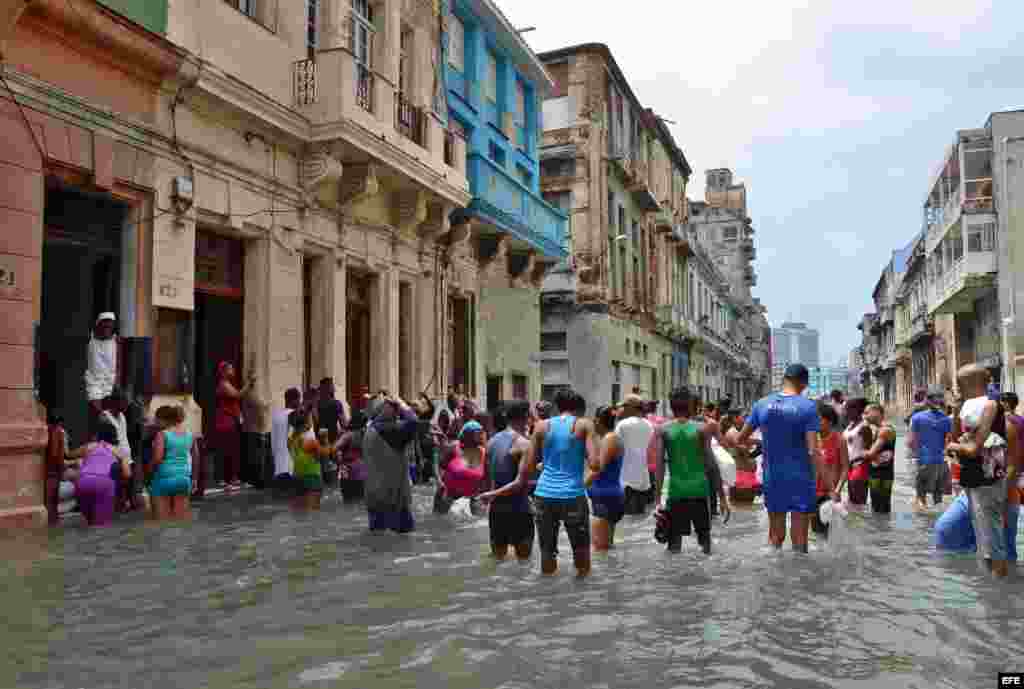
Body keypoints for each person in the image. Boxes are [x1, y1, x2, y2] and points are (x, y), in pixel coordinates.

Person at [735, 364, 820, 552]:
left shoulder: (762, 404)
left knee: (775, 536)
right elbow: (813, 450)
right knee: (799, 539)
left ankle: (773, 568)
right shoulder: (808, 407)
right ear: (804, 383)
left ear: (784, 380)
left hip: (773, 477)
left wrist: (761, 442)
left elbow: (740, 439)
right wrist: (826, 483)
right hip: (800, 478)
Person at [522, 388, 597, 576]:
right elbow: (595, 464)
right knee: (582, 558)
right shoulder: (584, 425)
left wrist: (545, 465)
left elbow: (528, 467)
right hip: (573, 495)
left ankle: (549, 592)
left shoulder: (541, 426)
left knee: (547, 554)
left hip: (544, 495)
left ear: (556, 406)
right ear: (579, 408)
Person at [947, 364, 1010, 577]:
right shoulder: (967, 407)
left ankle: (999, 581)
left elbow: (972, 448)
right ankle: (991, 585)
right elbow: (957, 438)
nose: (957, 389)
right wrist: (956, 411)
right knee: (982, 532)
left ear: (969, 383)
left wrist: (955, 446)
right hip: (973, 477)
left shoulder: (990, 405)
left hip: (988, 478)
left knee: (992, 533)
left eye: (959, 384)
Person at [654, 387, 730, 554]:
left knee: (674, 548)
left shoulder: (663, 430)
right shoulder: (702, 429)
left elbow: (659, 466)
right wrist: (722, 497)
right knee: (705, 545)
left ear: (671, 406)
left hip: (676, 492)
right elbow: (711, 465)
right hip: (699, 491)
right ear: (690, 405)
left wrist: (657, 499)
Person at [478, 401, 535, 560]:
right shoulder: (524, 444)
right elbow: (519, 483)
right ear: (526, 417)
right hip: (519, 511)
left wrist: (490, 495)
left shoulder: (491, 442)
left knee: (497, 561)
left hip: (496, 511)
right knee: (524, 563)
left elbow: (485, 479)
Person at [363, 396, 419, 532]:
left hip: (373, 497)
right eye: (393, 407)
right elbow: (413, 422)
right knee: (403, 539)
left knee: (378, 538)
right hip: (393, 499)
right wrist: (402, 404)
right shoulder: (387, 430)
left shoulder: (371, 429)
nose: (397, 411)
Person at [65, 423, 132, 527]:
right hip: (104, 484)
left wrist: (64, 440)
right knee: (100, 526)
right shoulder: (117, 450)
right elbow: (127, 474)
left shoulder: (88, 446)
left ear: (97, 435)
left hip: (83, 482)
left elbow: (68, 454)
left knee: (90, 522)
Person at [205, 361, 252, 495]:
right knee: (228, 450)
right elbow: (237, 395)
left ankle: (231, 478)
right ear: (224, 372)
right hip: (226, 422)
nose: (233, 371)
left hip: (230, 420)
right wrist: (249, 383)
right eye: (230, 369)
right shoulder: (224, 385)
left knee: (232, 450)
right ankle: (227, 479)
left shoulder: (227, 384)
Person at [585, 405, 625, 551]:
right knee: (606, 549)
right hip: (606, 498)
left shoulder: (610, 438)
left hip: (605, 500)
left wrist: (577, 488)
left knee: (600, 551)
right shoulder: (607, 438)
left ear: (597, 421)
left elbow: (598, 469)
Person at [147, 405, 196, 520]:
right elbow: (196, 458)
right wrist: (194, 479)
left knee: (162, 523)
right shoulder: (190, 435)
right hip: (183, 479)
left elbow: (158, 458)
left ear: (168, 419)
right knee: (180, 522)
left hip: (164, 479)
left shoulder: (162, 434)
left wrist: (149, 470)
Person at [909, 385, 953, 510]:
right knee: (938, 497)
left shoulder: (917, 418)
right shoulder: (946, 419)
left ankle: (923, 516)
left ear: (927, 400)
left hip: (924, 460)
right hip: (940, 461)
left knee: (921, 496)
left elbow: (911, 442)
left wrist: (916, 457)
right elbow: (948, 441)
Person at [811, 402, 848, 536]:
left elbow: (845, 468)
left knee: (827, 532)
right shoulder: (812, 440)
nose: (815, 422)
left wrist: (837, 490)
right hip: (812, 493)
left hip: (830, 493)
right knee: (815, 532)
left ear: (830, 421)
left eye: (819, 419)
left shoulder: (839, 440)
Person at [437, 420, 487, 514]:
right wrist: (439, 481)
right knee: (439, 517)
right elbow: (440, 465)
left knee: (479, 518)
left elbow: (488, 475)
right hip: (450, 492)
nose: (481, 436)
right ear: (468, 435)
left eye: (481, 433)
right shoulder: (454, 447)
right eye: (478, 433)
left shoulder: (484, 452)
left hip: (474, 493)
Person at [616, 394, 654, 515]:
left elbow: (614, 448)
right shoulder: (649, 425)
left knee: (626, 518)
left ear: (631, 407)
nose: (622, 409)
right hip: (644, 481)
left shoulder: (622, 424)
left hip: (626, 481)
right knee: (639, 516)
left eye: (624, 406)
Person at [287, 409, 328, 510]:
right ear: (306, 424)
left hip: (297, 477)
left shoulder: (290, 440)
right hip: (312, 478)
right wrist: (325, 439)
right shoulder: (310, 441)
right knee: (312, 512)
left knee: (298, 511)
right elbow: (322, 456)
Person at [84, 312, 121, 422]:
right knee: (96, 410)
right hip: (93, 380)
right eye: (104, 325)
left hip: (110, 381)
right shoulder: (89, 339)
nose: (107, 329)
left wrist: (117, 379)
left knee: (109, 413)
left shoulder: (117, 341)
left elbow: (119, 362)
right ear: (98, 325)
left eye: (109, 326)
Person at [863, 404, 896, 514]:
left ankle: (882, 525)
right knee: (878, 508)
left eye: (867, 413)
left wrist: (858, 452)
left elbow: (870, 454)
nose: (865, 416)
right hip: (878, 473)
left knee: (880, 509)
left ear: (877, 412)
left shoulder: (885, 430)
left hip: (882, 475)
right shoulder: (879, 429)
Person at [842, 397, 873, 508]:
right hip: (849, 466)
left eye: (847, 410)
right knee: (851, 501)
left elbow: (868, 451)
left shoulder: (864, 427)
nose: (845, 413)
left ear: (856, 410)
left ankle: (862, 519)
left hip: (860, 466)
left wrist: (853, 461)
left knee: (859, 502)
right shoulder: (850, 425)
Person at [271, 388, 302, 497]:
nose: (300, 402)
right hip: (291, 467)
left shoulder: (276, 415)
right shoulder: (295, 415)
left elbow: (273, 441)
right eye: (299, 400)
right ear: (294, 400)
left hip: (278, 467)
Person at [337, 411, 368, 502]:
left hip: (347, 470)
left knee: (348, 500)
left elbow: (335, 448)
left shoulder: (348, 435)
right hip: (362, 470)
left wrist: (339, 461)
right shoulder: (366, 433)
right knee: (360, 500)